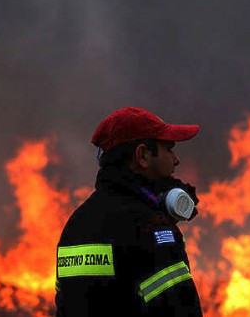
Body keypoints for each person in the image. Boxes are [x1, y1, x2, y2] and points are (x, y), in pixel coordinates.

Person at [55, 106, 203, 316]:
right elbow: (179, 310)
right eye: (168, 148)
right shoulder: (152, 230)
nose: (175, 160)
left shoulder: (75, 225)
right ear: (142, 155)